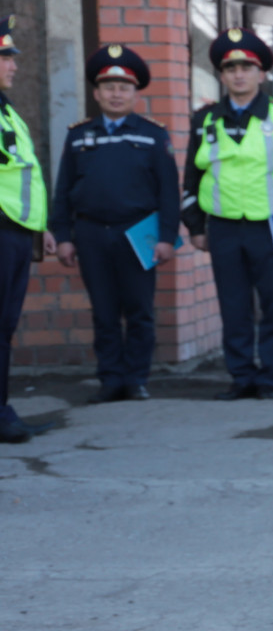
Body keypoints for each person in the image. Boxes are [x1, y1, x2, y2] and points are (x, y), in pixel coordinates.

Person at [50, 45, 179, 404]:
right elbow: (63, 191)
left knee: (139, 311)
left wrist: (167, 237)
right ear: (96, 93)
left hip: (138, 233)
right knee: (104, 312)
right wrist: (63, 236)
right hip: (90, 234)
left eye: (124, 88)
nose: (116, 94)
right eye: (109, 87)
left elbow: (169, 192)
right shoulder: (78, 136)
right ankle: (110, 379)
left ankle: (136, 379)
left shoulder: (153, 135)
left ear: (135, 94)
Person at [183, 28, 273, 400]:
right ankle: (240, 376)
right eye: (230, 67)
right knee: (233, 304)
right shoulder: (205, 119)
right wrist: (195, 226)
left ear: (262, 73)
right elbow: (192, 174)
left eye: (247, 67)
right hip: (222, 226)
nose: (239, 74)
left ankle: (269, 377)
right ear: (221, 74)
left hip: (271, 224)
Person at [0, 16, 57, 442]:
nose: (14, 66)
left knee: (5, 327)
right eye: (5, 57)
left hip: (17, 233)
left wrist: (40, 228)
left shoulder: (6, 110)